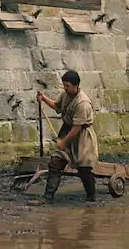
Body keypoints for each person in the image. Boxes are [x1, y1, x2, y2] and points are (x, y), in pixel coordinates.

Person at [35, 70, 99, 204]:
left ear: (76, 86)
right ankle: (48, 198)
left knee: (84, 167)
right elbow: (56, 106)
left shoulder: (83, 103)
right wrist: (44, 98)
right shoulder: (65, 95)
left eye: (67, 85)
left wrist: (64, 142)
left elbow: (77, 127)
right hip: (67, 130)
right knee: (55, 162)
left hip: (82, 135)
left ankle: (91, 198)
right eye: (64, 85)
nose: (65, 88)